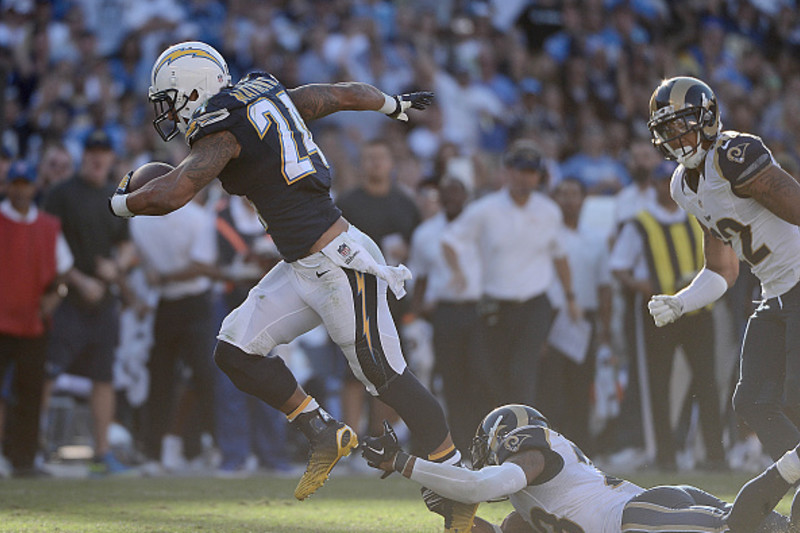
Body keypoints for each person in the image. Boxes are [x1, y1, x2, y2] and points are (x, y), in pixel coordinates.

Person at [108, 41, 469, 520]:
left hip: (338, 263)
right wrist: (392, 104)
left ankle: (458, 485)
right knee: (234, 348)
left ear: (192, 90)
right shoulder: (262, 95)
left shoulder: (223, 132)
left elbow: (174, 192)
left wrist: (118, 202)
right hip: (303, 263)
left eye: (169, 100)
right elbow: (340, 94)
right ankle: (323, 430)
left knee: (388, 379)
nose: (169, 112)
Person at [644, 76, 800, 462]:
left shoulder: (734, 154)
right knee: (752, 402)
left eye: (683, 125)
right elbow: (722, 269)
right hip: (773, 293)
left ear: (708, 117)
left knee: (796, 397)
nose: (677, 138)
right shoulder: (682, 185)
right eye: (668, 130)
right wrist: (683, 302)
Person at [361, 404, 800, 533]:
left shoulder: (534, 454)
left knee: (735, 528)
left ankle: (795, 460)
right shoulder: (529, 511)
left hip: (638, 517)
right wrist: (446, 510)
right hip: (649, 511)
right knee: (773, 530)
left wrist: (404, 463)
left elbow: (478, 485)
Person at [441, 139, 580, 408]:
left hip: (535, 303)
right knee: (493, 375)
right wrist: (457, 271)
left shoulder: (549, 211)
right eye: (519, 170)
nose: (524, 178)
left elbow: (560, 256)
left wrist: (571, 296)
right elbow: (450, 240)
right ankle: (503, 434)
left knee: (522, 371)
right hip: (495, 304)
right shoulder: (485, 210)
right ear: (507, 172)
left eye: (531, 172)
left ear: (539, 176)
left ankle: (523, 436)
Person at [610, 160, 726, 471]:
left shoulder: (697, 217)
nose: (666, 188)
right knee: (657, 385)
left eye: (670, 181)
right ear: (654, 185)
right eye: (660, 182)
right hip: (660, 313)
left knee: (707, 382)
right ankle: (664, 455)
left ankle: (714, 454)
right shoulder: (641, 223)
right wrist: (637, 283)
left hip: (699, 311)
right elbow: (619, 265)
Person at [43, 129, 137, 475]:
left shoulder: (115, 198)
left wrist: (117, 267)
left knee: (104, 377)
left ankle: (102, 453)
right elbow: (48, 244)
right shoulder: (61, 194)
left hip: (103, 302)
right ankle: (32, 447)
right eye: (93, 150)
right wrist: (80, 281)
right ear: (84, 154)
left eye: (104, 151)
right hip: (68, 298)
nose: (99, 157)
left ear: (111, 157)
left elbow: (127, 247)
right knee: (47, 372)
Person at [129, 194, 218, 474]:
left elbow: (200, 267)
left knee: (202, 376)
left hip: (191, 303)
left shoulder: (195, 218)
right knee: (164, 379)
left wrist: (161, 277)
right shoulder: (142, 223)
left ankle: (210, 445)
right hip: (174, 304)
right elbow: (135, 260)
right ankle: (156, 450)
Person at [0, 161, 73, 477]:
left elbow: (63, 273)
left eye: (25, 183)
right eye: (15, 183)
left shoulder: (48, 226)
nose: (20, 189)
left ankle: (25, 460)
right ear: (7, 186)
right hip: (1, 322)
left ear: (34, 187)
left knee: (31, 394)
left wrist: (55, 296)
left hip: (34, 323)